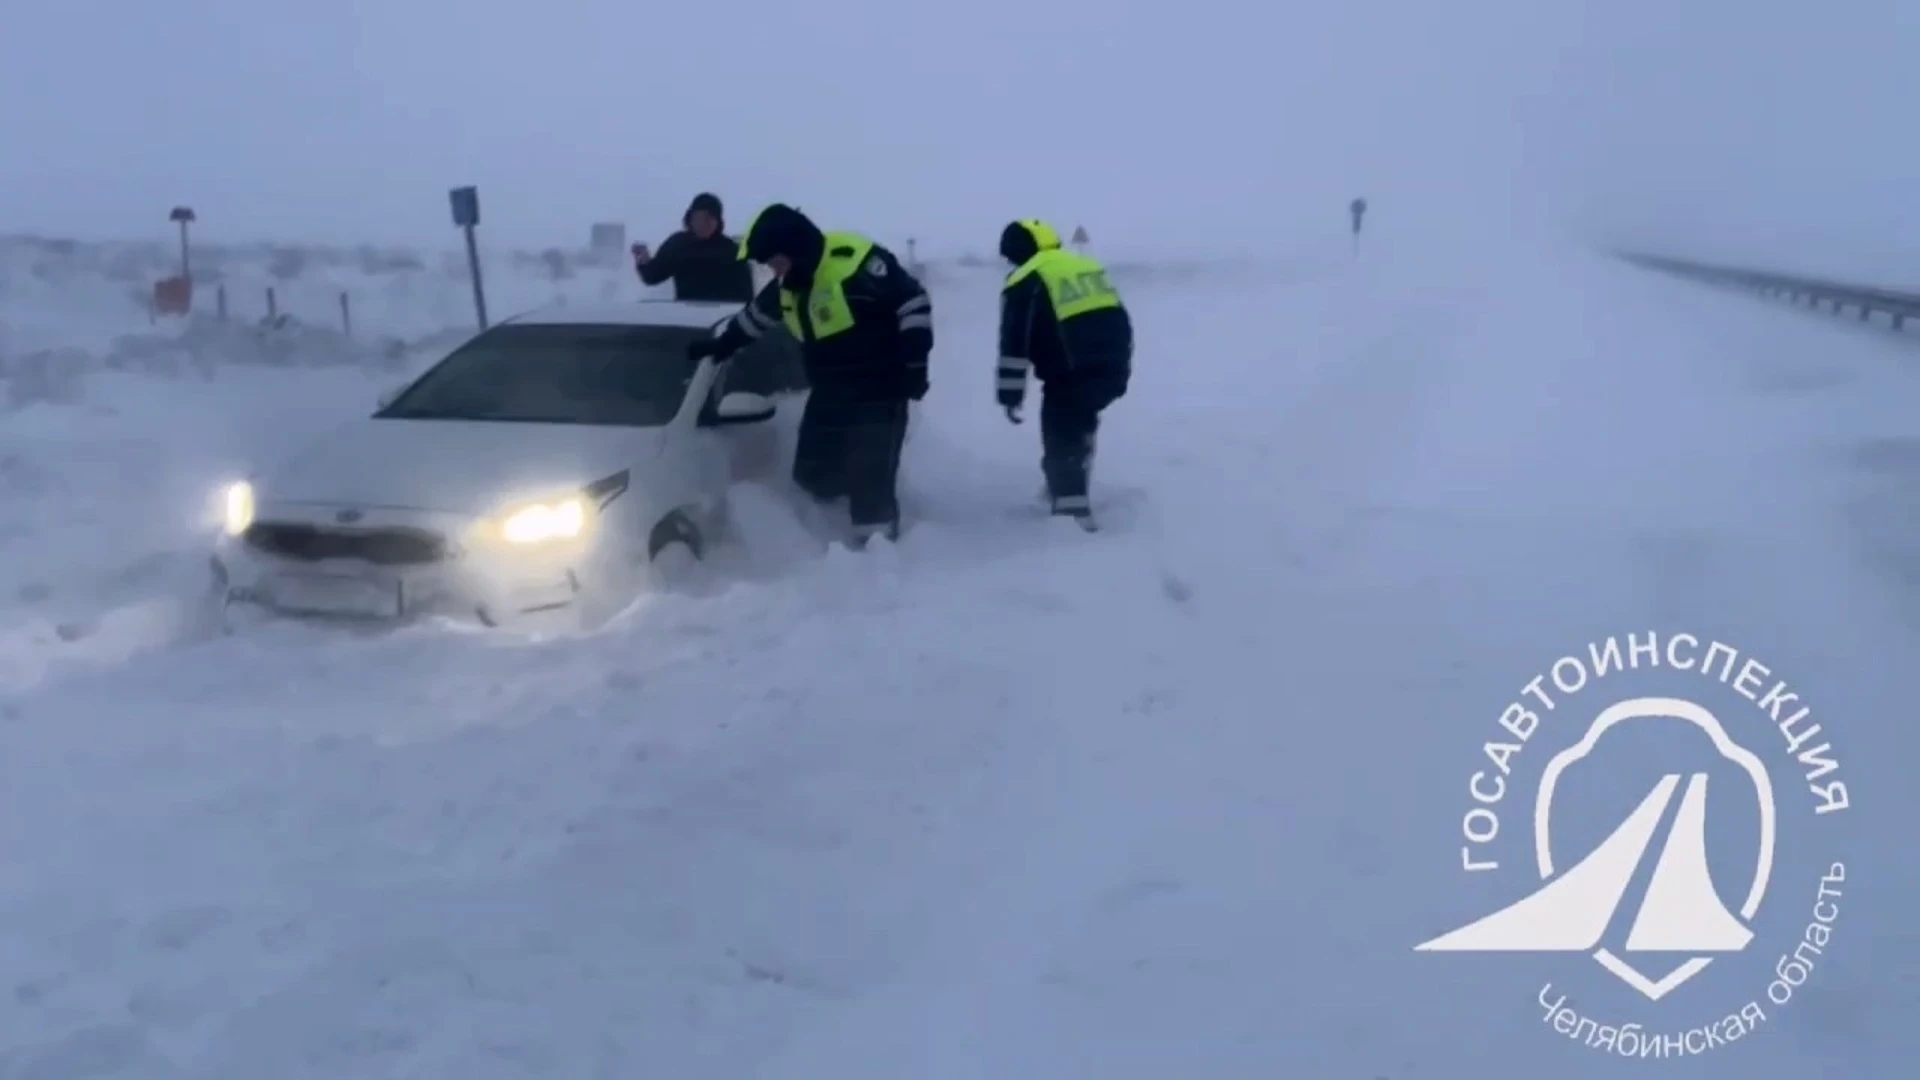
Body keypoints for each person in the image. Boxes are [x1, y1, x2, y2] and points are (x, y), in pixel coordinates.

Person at [688, 203, 933, 546]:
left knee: (871, 480)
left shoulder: (859, 265)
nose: (774, 272)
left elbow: (914, 303)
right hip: (830, 391)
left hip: (882, 390)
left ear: (796, 250)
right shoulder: (790, 283)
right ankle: (825, 541)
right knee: (811, 475)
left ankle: (877, 560)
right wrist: (722, 346)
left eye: (776, 262)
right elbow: (755, 318)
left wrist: (914, 365)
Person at [995, 219, 1132, 526]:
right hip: (1113, 366)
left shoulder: (1025, 279)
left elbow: (1015, 346)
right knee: (1080, 422)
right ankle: (1068, 482)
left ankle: (1072, 515)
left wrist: (1010, 395)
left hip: (1072, 372)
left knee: (1061, 431)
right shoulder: (1084, 266)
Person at [633, 192, 756, 303]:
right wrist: (642, 259)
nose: (704, 223)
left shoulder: (732, 250)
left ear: (718, 222)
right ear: (690, 219)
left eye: (710, 219)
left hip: (721, 318)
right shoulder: (678, 245)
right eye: (699, 218)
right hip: (688, 318)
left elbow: (747, 296)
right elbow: (652, 276)